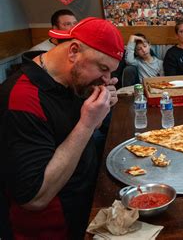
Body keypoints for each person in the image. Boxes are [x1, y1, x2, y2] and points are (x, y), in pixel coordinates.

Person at [0, 17, 124, 239]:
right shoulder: (21, 98)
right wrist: (87, 123)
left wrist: (98, 113)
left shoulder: (70, 80)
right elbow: (35, 198)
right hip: (51, 229)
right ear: (74, 51)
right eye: (103, 68)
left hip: (86, 207)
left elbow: (69, 138)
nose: (107, 80)